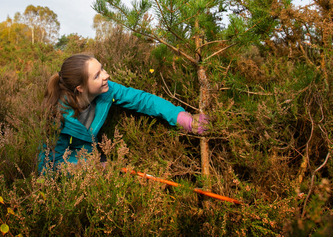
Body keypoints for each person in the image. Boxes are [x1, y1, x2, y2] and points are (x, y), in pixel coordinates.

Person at [38, 53, 208, 173]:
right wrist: (92, 166)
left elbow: (142, 100)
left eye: (102, 69)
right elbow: (49, 164)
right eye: (97, 75)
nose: (107, 75)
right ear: (80, 88)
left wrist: (180, 116)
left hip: (94, 157)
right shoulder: (57, 117)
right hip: (77, 169)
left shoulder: (106, 89)